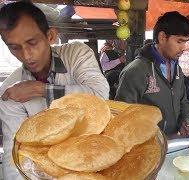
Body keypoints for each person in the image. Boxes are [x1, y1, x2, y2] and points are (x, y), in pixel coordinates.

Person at [0, 2, 109, 179]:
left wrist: (41, 89)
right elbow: (15, 153)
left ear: (50, 36)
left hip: (94, 157)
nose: (26, 55)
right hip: (48, 172)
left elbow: (100, 95)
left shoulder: (76, 54)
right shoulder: (10, 92)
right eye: (15, 47)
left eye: (32, 43)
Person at [115, 11, 189, 139]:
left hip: (172, 143)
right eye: (180, 41)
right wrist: (155, 140)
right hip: (147, 147)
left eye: (185, 42)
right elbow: (122, 117)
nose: (184, 48)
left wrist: (184, 121)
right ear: (162, 37)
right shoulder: (136, 71)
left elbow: (183, 100)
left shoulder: (178, 70)